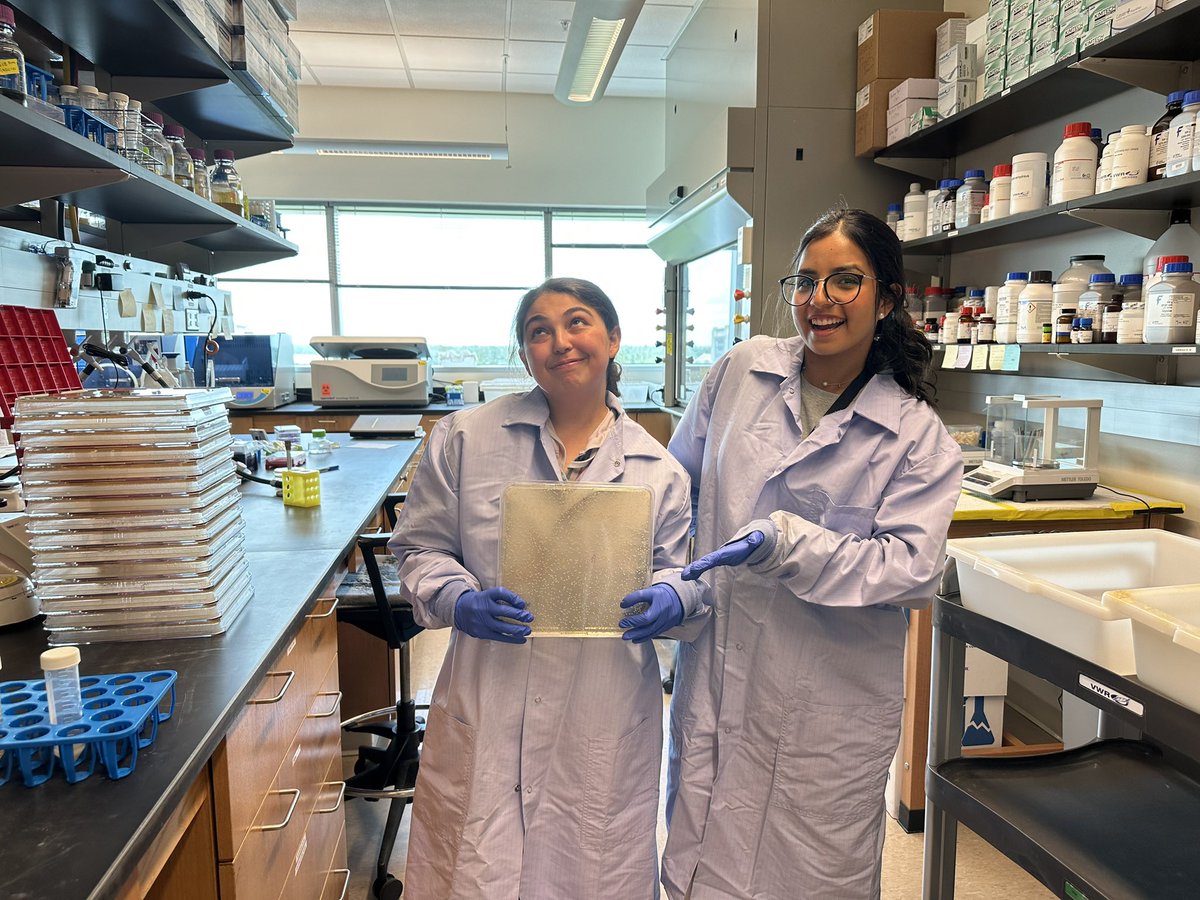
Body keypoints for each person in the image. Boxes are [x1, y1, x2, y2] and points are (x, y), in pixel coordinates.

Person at [660, 208, 962, 898]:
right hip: (720, 673)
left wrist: (791, 543)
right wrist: (668, 576)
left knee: (811, 869)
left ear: (887, 298)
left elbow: (910, 571)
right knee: (700, 848)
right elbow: (679, 488)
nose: (819, 300)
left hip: (827, 701)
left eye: (845, 281)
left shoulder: (914, 438)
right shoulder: (740, 371)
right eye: (806, 281)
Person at [390, 276, 707, 899]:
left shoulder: (658, 471)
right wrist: (459, 599)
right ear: (525, 352)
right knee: (478, 869)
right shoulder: (465, 439)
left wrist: (673, 597)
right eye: (539, 331)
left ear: (613, 339)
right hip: (491, 690)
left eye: (578, 322)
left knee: (588, 871)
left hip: (602, 706)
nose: (559, 341)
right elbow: (419, 548)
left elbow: (683, 573)